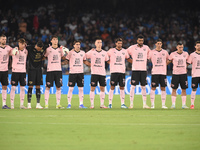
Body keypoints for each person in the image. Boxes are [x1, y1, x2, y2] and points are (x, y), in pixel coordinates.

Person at [44, 35, 68, 109]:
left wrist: (66, 57)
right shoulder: (48, 49)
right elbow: (44, 56)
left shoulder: (60, 49)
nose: (55, 41)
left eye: (56, 39)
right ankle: (46, 104)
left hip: (58, 70)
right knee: (47, 87)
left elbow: (64, 58)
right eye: (54, 39)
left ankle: (58, 104)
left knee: (58, 87)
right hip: (50, 70)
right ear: (51, 41)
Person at [127, 34, 151, 109]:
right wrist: (131, 61)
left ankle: (144, 104)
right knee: (133, 87)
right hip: (135, 70)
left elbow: (150, 56)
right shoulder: (132, 47)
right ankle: (131, 104)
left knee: (143, 87)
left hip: (143, 70)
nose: (141, 42)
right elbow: (125, 53)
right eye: (139, 40)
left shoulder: (146, 48)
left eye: (142, 40)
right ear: (137, 40)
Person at [107, 38, 132, 109]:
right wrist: (110, 62)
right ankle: (110, 104)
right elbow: (105, 57)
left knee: (122, 87)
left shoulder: (124, 51)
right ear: (116, 43)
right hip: (114, 71)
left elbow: (128, 59)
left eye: (121, 43)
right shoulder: (111, 51)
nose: (120, 44)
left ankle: (123, 104)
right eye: (118, 43)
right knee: (112, 87)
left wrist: (135, 61)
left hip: (122, 72)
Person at [65, 40, 90, 109]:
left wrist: (91, 65)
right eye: (76, 44)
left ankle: (81, 104)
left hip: (80, 73)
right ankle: (69, 104)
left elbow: (85, 61)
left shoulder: (83, 53)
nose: (78, 45)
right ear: (74, 45)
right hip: (72, 73)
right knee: (70, 89)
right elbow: (66, 60)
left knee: (81, 89)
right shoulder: (70, 53)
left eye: (79, 44)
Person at [86, 37, 109, 109]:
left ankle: (102, 104)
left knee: (102, 88)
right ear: (95, 44)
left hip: (102, 73)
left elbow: (107, 61)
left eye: (100, 42)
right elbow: (84, 57)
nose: (99, 44)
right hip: (94, 73)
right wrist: (89, 64)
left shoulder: (105, 53)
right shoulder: (91, 52)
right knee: (92, 88)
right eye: (98, 42)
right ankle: (92, 105)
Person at [167, 42, 189, 109]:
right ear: (177, 47)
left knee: (184, 89)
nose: (180, 48)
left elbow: (188, 62)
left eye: (182, 47)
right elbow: (168, 62)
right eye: (179, 47)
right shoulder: (173, 54)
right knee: (174, 89)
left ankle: (184, 105)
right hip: (175, 74)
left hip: (183, 74)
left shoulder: (186, 54)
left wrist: (185, 67)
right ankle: (173, 105)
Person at [148, 39, 169, 109]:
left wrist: (164, 65)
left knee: (163, 88)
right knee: (153, 88)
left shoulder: (165, 52)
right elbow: (147, 59)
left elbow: (168, 60)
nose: (159, 45)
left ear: (162, 44)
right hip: (155, 72)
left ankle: (163, 104)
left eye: (160, 43)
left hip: (163, 73)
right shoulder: (151, 52)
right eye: (158, 43)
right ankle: (152, 104)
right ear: (155, 44)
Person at [26, 41, 45, 109]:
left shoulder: (43, 48)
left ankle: (38, 104)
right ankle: (29, 104)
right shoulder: (30, 48)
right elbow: (22, 46)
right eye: (39, 49)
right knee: (30, 86)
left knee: (38, 86)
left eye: (40, 49)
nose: (39, 50)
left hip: (39, 69)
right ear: (36, 46)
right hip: (31, 69)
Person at [10, 38, 28, 109]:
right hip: (15, 71)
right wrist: (16, 50)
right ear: (19, 44)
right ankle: (12, 104)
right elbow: (13, 53)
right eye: (21, 44)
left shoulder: (26, 51)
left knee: (23, 88)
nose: (22, 45)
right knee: (13, 87)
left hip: (23, 71)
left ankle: (21, 104)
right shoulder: (15, 50)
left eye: (23, 44)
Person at [0, 34, 12, 109]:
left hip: (4, 71)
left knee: (4, 86)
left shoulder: (8, 48)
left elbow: (14, 52)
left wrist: (17, 49)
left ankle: (4, 104)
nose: (4, 40)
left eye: (5, 39)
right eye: (3, 39)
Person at [187, 41, 200, 109]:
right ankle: (192, 104)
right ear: (195, 47)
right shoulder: (192, 55)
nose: (199, 47)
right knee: (194, 89)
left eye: (199, 45)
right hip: (195, 75)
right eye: (197, 45)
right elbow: (188, 63)